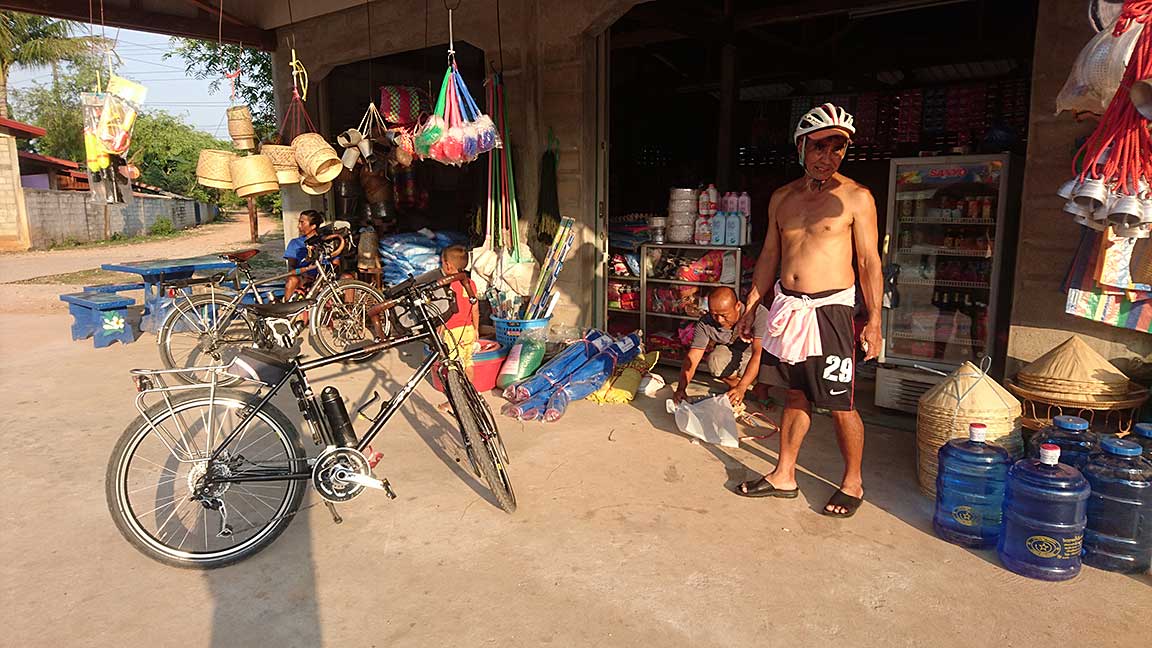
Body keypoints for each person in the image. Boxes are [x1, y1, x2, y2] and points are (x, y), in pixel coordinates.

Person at [734, 103, 883, 520]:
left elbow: (869, 261)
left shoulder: (856, 197)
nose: (828, 156)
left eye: (837, 149)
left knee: (840, 403)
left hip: (832, 312)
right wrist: (752, 304)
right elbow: (769, 254)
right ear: (801, 147)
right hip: (787, 306)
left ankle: (853, 481)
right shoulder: (783, 198)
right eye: (820, 146)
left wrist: (874, 319)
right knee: (795, 393)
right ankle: (784, 474)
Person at [673, 286, 771, 409]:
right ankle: (736, 387)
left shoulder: (758, 314)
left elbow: (758, 354)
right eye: (714, 314)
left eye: (724, 315)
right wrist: (681, 388)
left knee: (773, 366)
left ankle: (760, 389)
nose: (719, 320)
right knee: (715, 360)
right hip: (732, 353)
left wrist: (742, 387)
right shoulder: (705, 322)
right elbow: (693, 357)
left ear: (738, 306)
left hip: (758, 356)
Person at [437, 244, 479, 413]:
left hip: (452, 333)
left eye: (442, 262)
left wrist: (440, 329)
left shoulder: (446, 286)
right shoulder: (470, 284)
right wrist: (476, 329)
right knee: (468, 364)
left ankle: (456, 403)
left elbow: (442, 311)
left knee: (453, 370)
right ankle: (469, 395)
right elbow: (475, 308)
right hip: (468, 330)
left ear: (448, 266)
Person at [283, 210, 324, 299]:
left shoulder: (325, 243)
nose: (298, 226)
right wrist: (302, 275)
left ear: (313, 226)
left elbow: (336, 265)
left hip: (323, 279)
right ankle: (286, 309)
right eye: (299, 223)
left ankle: (349, 309)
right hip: (302, 278)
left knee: (347, 277)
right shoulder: (295, 243)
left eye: (302, 223)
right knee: (292, 280)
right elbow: (291, 268)